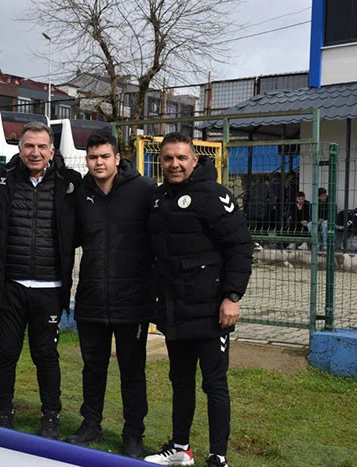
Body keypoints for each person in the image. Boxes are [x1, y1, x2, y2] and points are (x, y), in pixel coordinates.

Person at [144, 132, 253, 467]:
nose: (174, 164)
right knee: (180, 381)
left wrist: (232, 296)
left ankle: (218, 456)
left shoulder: (214, 195)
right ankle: (181, 449)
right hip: (175, 308)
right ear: (160, 161)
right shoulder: (159, 197)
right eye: (168, 158)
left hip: (211, 310)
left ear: (194, 159)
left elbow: (240, 246)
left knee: (214, 383)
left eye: (181, 158)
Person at [66, 131, 156, 458]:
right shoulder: (80, 193)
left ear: (118, 158)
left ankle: (133, 434)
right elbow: (71, 237)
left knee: (132, 371)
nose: (99, 163)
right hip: (91, 297)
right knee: (93, 368)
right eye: (93, 157)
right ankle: (91, 424)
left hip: (132, 301)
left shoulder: (144, 190)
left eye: (105, 156)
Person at [0, 121, 81, 439]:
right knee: (6, 353)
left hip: (50, 289)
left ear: (52, 151)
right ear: (19, 148)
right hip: (11, 287)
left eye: (42, 146)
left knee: (46, 356)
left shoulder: (71, 183)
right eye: (29, 145)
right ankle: (3, 411)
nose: (35, 152)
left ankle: (51, 416)